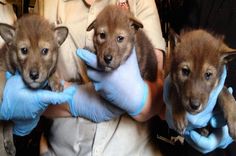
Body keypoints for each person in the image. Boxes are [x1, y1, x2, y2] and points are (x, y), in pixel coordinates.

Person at [0, 0, 232, 156]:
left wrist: (140, 99)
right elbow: (35, 92)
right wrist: (77, 100)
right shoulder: (48, 4)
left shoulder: (140, 2)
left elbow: (161, 91)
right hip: (59, 149)